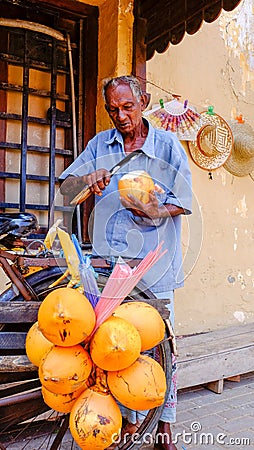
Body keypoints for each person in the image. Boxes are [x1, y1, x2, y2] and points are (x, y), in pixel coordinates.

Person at [59, 75, 192, 450]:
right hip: (108, 266)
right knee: (114, 343)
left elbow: (184, 200)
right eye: (113, 109)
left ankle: (164, 426)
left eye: (127, 107)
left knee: (160, 343)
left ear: (144, 101)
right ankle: (129, 421)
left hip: (156, 266)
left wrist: (156, 210)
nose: (120, 115)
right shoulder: (100, 145)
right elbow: (66, 188)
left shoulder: (166, 147)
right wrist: (88, 176)